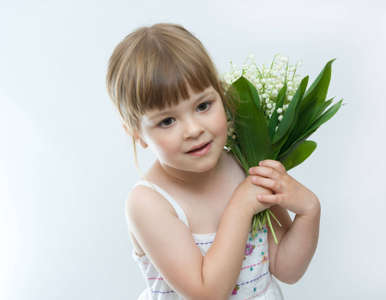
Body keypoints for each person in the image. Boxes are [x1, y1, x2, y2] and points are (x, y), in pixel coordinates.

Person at [106, 23, 321, 300]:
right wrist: (241, 206)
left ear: (221, 95)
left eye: (203, 106)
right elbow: (206, 293)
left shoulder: (245, 163)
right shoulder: (149, 203)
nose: (194, 129)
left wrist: (308, 211)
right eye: (167, 121)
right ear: (138, 134)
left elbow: (287, 268)